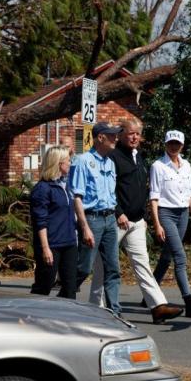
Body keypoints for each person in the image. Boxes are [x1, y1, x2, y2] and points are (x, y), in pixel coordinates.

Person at [89, 119, 183, 324]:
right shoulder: (112, 156)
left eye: (138, 134)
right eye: (130, 133)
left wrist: (144, 216)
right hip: (116, 220)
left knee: (143, 264)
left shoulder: (138, 156)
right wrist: (118, 212)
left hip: (137, 221)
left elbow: (141, 187)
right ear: (121, 134)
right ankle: (96, 308)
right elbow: (107, 188)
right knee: (104, 266)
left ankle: (158, 306)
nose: (134, 137)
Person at [149, 130, 191, 318]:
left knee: (167, 256)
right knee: (180, 257)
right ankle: (189, 302)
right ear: (165, 144)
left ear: (182, 145)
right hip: (166, 214)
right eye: (171, 143)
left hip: (182, 214)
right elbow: (154, 198)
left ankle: (150, 294)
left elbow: (190, 195)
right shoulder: (158, 166)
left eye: (178, 144)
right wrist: (157, 224)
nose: (174, 147)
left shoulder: (187, 165)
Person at [69, 121, 121, 317]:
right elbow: (77, 197)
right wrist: (84, 227)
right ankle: (65, 300)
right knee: (84, 267)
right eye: (112, 135)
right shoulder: (82, 161)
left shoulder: (110, 162)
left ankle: (114, 312)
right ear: (101, 137)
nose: (116, 138)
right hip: (92, 220)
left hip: (109, 219)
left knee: (113, 268)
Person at [29, 145, 78, 297]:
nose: (70, 163)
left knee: (70, 289)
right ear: (58, 163)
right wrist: (45, 248)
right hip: (51, 245)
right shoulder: (43, 189)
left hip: (68, 242)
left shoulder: (66, 186)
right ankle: (31, 315)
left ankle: (65, 317)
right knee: (45, 285)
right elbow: (40, 221)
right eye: (68, 161)